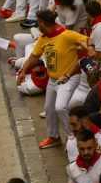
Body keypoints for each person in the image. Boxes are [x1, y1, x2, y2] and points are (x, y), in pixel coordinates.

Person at [18, 10, 89, 148]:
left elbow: (86, 41)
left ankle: (73, 138)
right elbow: (34, 56)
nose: (38, 25)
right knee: (49, 108)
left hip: (69, 79)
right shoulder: (43, 38)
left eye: (38, 22)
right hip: (52, 80)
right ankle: (54, 137)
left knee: (60, 107)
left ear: (43, 23)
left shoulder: (67, 35)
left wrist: (84, 48)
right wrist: (23, 71)